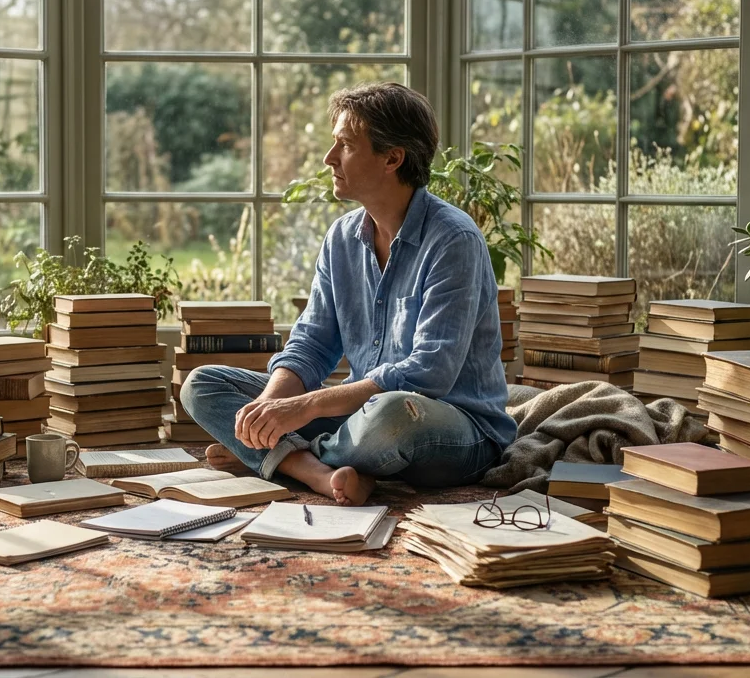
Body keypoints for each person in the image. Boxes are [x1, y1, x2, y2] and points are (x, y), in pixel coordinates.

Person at [180, 82, 515, 505]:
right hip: (360, 421)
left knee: (393, 413)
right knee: (202, 384)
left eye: (345, 145)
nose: (329, 158)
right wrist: (265, 411)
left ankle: (273, 460)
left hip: (451, 430)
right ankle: (316, 472)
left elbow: (430, 373)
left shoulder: (455, 239)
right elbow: (311, 344)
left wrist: (300, 412)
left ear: (393, 158)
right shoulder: (341, 238)